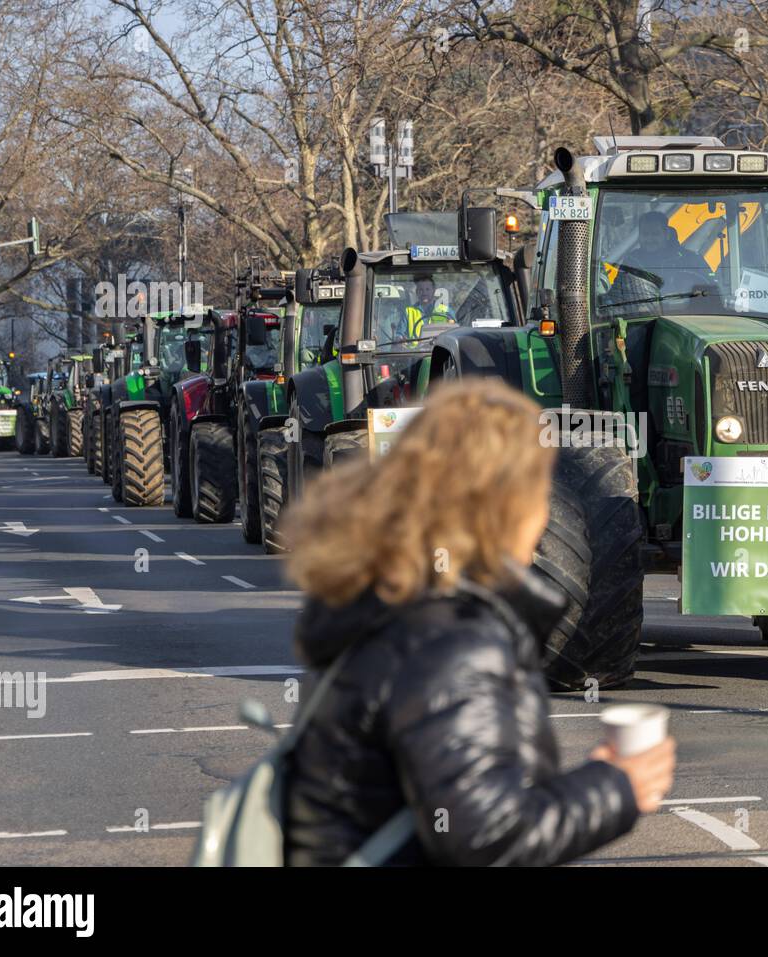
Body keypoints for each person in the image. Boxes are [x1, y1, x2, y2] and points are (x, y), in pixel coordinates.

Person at [280, 379, 675, 866]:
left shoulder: (391, 607)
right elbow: (483, 836)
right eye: (539, 486)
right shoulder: (453, 644)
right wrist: (619, 789)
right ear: (504, 504)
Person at [623, 210, 713, 295]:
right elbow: (620, 293)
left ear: (667, 234)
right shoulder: (631, 261)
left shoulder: (691, 260)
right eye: (645, 234)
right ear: (639, 236)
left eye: (655, 234)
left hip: (686, 311)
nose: (649, 239)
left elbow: (712, 291)